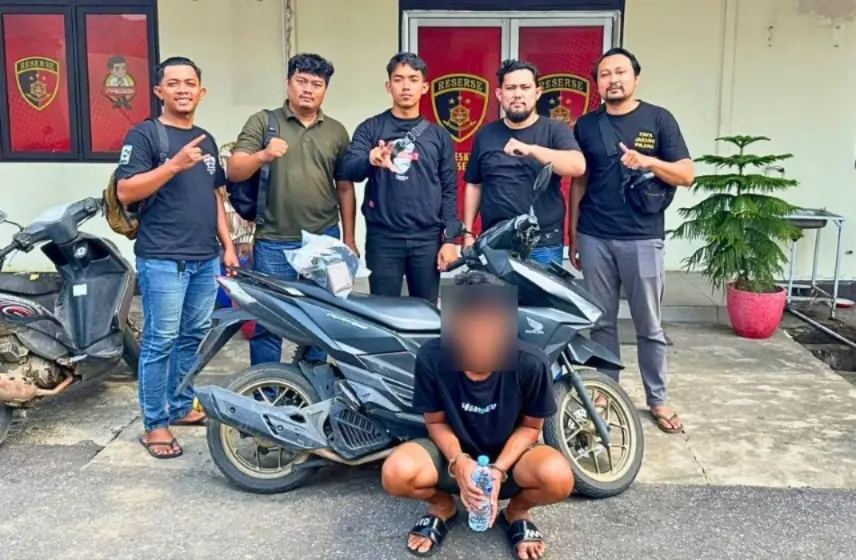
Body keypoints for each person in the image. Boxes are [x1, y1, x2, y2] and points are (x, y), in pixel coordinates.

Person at [381, 270, 574, 559]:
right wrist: (459, 461)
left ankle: (517, 512)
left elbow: (532, 428)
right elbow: (435, 421)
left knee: (558, 478)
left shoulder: (531, 363)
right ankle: (442, 505)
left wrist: (499, 469)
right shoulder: (432, 357)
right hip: (449, 458)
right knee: (396, 473)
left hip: (510, 462)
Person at [116, 56, 239, 459]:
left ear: (201, 92)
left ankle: (181, 406)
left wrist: (227, 245)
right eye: (173, 83)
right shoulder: (144, 135)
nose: (182, 90)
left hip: (205, 258)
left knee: (192, 337)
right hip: (163, 258)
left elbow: (214, 196)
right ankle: (155, 423)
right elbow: (126, 191)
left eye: (190, 83)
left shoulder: (206, 138)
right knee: (160, 342)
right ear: (159, 91)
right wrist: (173, 165)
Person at [568, 47, 695, 434]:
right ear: (597, 83)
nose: (613, 80)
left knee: (649, 324)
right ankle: (606, 392)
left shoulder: (659, 119)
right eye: (605, 74)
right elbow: (579, 182)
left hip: (642, 238)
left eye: (620, 72)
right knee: (601, 322)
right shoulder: (586, 125)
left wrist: (649, 161)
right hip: (594, 235)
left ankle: (657, 397)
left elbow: (687, 174)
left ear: (636, 78)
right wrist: (573, 233)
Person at [228, 53, 355, 366]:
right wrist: (263, 155)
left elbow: (344, 187)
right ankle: (267, 387)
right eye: (301, 81)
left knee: (321, 318)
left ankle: (311, 381)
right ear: (288, 83)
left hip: (324, 238)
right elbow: (234, 170)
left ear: (325, 90)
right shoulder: (263, 122)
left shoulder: (337, 131)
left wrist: (349, 240)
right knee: (269, 321)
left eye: (317, 84)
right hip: (274, 240)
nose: (308, 89)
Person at [337, 52, 458, 304]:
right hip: (383, 239)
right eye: (398, 79)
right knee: (382, 311)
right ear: (388, 86)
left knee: (426, 312)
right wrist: (370, 159)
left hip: (427, 240)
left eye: (413, 79)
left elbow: (449, 189)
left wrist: (450, 240)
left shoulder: (439, 136)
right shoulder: (371, 128)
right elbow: (349, 170)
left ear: (424, 87)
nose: (405, 86)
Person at [462, 59, 586, 266]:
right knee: (492, 290)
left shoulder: (555, 130)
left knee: (542, 290)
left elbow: (578, 166)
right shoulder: (486, 134)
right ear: (499, 94)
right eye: (510, 88)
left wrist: (532, 150)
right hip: (495, 243)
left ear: (537, 93)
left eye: (525, 87)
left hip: (542, 244)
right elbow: (475, 185)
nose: (517, 94)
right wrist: (467, 233)